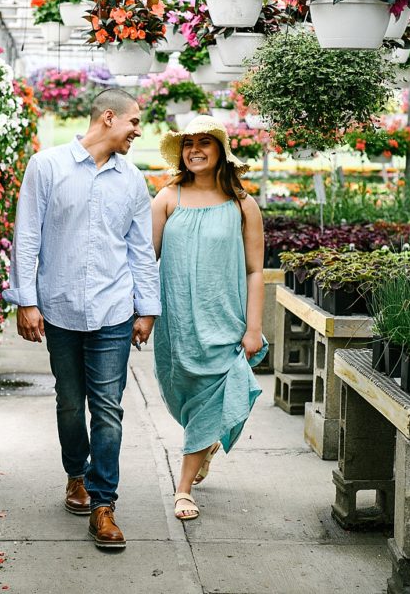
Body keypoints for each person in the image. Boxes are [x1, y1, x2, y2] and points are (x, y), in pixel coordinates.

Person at [2, 89, 161, 549]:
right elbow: (26, 236)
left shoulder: (131, 180)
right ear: (108, 118)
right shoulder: (46, 166)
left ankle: (103, 504)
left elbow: (139, 250)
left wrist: (147, 309)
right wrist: (25, 301)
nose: (137, 130)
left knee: (108, 409)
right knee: (70, 403)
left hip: (113, 309)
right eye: (133, 122)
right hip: (60, 308)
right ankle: (76, 473)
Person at [150, 115, 268, 521]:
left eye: (205, 142)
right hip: (178, 324)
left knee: (213, 398)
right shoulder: (168, 198)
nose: (195, 150)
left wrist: (253, 328)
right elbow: (147, 262)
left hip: (226, 321)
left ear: (221, 152)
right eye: (188, 144)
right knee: (184, 396)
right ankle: (205, 444)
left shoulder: (243, 204)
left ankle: (183, 489)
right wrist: (141, 314)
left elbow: (256, 270)